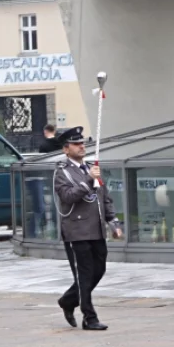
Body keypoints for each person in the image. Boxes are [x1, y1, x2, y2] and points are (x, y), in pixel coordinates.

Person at [52, 126, 122, 331]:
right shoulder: (62, 172)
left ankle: (68, 300)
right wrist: (88, 179)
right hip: (77, 231)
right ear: (66, 149)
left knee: (98, 270)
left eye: (82, 143)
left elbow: (104, 198)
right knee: (84, 274)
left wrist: (113, 222)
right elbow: (68, 197)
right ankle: (89, 317)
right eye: (76, 144)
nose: (82, 146)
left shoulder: (91, 168)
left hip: (96, 229)